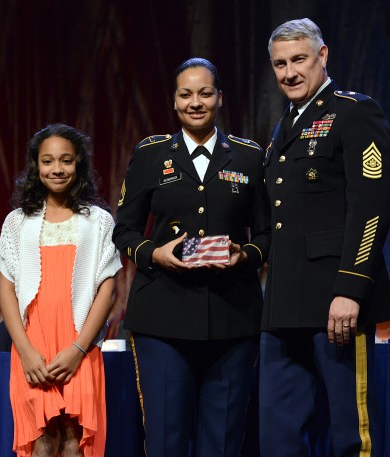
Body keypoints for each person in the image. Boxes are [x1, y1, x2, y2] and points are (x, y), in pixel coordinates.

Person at [112, 57, 271, 457]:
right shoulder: (151, 155)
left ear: (219, 98)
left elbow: (269, 234)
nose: (195, 102)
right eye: (186, 94)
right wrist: (154, 253)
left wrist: (245, 255)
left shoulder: (249, 156)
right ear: (175, 100)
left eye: (204, 93)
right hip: (162, 318)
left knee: (222, 442)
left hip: (233, 316)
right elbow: (124, 229)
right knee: (166, 439)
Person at [260, 18, 390, 456]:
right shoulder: (284, 127)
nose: (289, 72)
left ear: (323, 55)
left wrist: (351, 289)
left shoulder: (354, 112)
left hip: (336, 304)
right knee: (278, 437)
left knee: (350, 434)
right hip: (283, 308)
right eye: (280, 64)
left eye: (299, 59)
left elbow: (370, 208)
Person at [0, 124, 122, 457]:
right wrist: (24, 350)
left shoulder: (98, 222)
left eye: (65, 160)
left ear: (78, 163)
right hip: (32, 348)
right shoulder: (17, 222)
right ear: (35, 166)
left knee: (73, 440)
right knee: (42, 439)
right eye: (48, 161)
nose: (57, 169)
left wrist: (78, 349)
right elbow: (6, 291)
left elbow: (107, 291)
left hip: (77, 346)